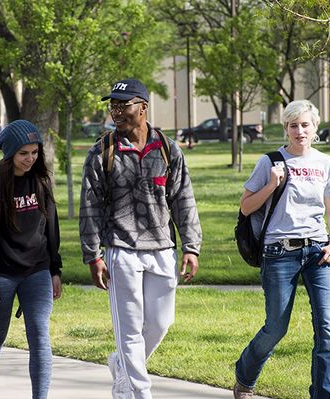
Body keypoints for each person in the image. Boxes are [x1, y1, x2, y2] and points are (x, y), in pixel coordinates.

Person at [79, 78, 202, 399]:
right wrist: (93, 254)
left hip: (163, 249)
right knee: (130, 330)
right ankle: (135, 392)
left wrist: (191, 246)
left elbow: (183, 199)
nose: (116, 111)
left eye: (123, 105)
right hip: (122, 250)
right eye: (113, 105)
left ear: (143, 108)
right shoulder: (102, 151)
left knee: (161, 323)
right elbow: (89, 206)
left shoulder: (166, 148)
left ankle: (122, 365)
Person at [233, 100, 330, 399]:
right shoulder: (270, 162)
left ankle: (322, 395)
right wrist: (271, 185)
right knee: (276, 328)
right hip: (279, 252)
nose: (299, 131)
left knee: (328, 330)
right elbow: (245, 207)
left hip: (319, 254)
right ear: (286, 128)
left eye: (305, 125)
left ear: (314, 127)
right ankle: (244, 375)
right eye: (293, 125)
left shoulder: (326, 163)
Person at [0, 120, 63, 399]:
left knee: (40, 336)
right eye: (23, 153)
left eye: (34, 152)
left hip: (37, 270)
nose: (30, 159)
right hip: (0, 273)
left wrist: (55, 269)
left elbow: (51, 226)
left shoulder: (41, 179)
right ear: (9, 153)